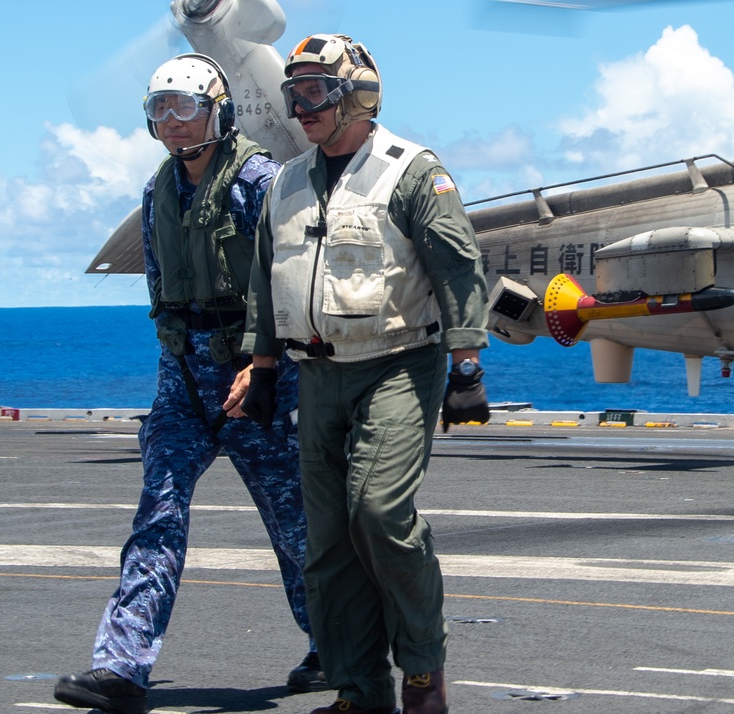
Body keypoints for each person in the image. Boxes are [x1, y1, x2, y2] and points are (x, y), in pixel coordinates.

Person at [54, 53, 324, 714]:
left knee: (294, 526)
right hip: (182, 380)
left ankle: (338, 648)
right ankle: (121, 666)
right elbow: (162, 292)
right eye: (158, 111)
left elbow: (285, 281)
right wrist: (177, 368)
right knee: (158, 513)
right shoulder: (158, 193)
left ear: (217, 110)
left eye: (183, 108)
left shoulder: (262, 182)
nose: (171, 123)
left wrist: (260, 370)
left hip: (257, 378)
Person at [240, 34, 491, 714]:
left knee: (378, 512)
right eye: (295, 93)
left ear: (359, 94)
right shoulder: (286, 181)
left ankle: (422, 670)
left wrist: (467, 363)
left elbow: (457, 266)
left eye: (317, 90)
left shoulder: (411, 171)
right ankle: (359, 691)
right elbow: (267, 281)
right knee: (326, 545)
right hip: (315, 375)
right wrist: (261, 366)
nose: (302, 106)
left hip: (399, 362)